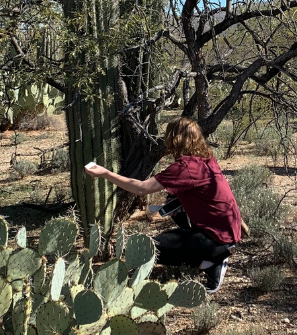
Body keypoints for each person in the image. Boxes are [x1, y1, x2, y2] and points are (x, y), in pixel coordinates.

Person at [84, 117, 244, 290]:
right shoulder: (206, 159)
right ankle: (209, 257)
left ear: (175, 139)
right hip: (228, 234)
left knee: (153, 248)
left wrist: (105, 173)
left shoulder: (186, 167)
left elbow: (141, 188)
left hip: (215, 239)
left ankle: (213, 261)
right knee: (173, 206)